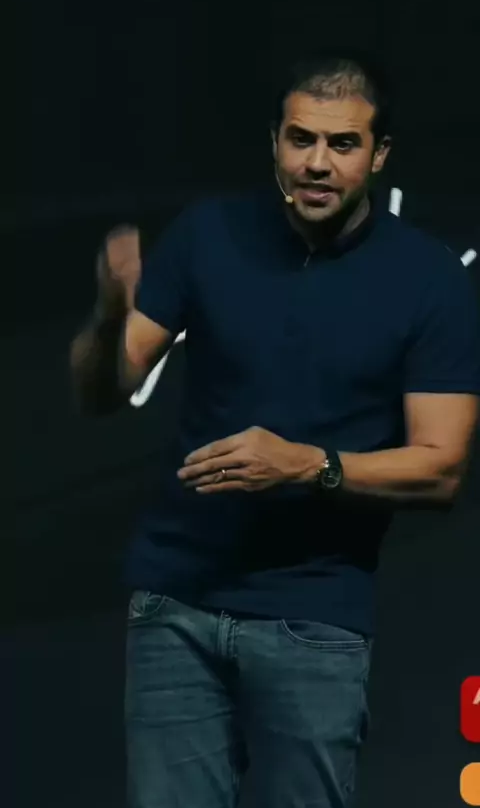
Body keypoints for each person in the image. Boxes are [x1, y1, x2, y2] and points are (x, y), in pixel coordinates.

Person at [70, 51, 480, 808]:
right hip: (175, 603)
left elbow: (441, 467)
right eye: (301, 139)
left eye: (343, 144)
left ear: (379, 155)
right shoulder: (208, 234)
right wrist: (104, 319)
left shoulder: (429, 279)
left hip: (314, 613)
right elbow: (104, 389)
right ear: (275, 142)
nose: (317, 163)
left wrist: (307, 465)